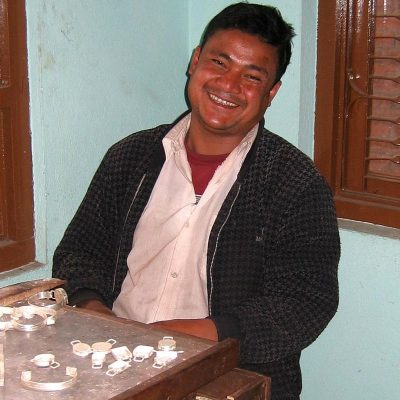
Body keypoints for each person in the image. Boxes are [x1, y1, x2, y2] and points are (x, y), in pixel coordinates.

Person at [53, 3, 340, 399]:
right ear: (195, 61)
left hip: (227, 374)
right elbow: (79, 253)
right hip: (112, 362)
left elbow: (305, 303)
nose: (228, 85)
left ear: (271, 93)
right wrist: (99, 319)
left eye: (251, 76)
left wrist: (180, 336)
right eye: (219, 63)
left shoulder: (295, 183)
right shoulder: (130, 157)